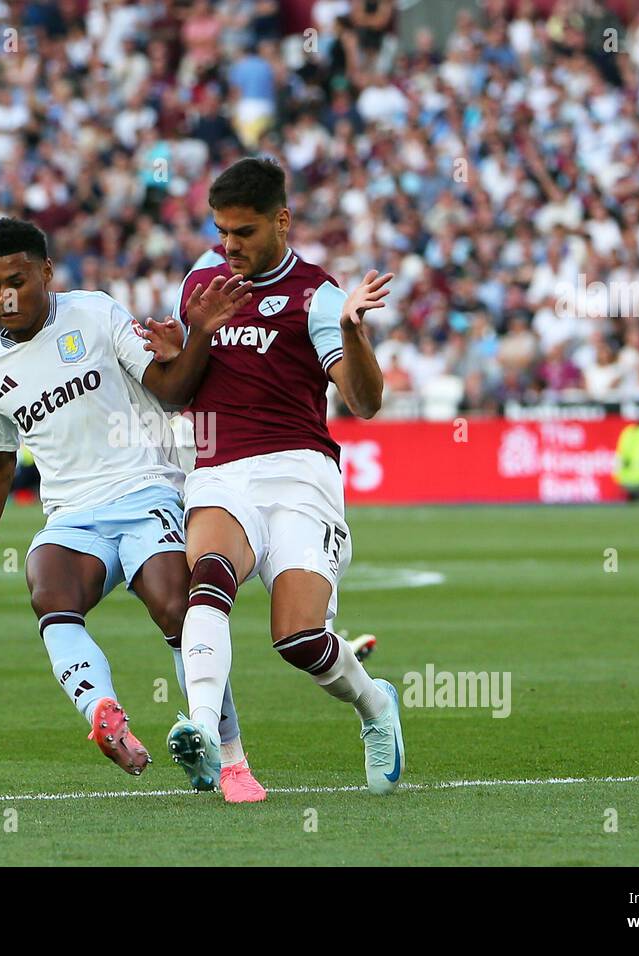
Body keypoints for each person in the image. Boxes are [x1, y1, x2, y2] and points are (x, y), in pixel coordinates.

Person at [0, 218, 270, 802]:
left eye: (18, 280)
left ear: (47, 273)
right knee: (47, 584)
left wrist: (199, 334)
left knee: (175, 606)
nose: (5, 296)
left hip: (148, 489)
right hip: (73, 516)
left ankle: (228, 758)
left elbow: (173, 389)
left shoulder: (97, 313)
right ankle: (105, 713)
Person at [144, 157, 405, 795]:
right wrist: (184, 346)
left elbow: (366, 403)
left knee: (298, 638)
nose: (229, 245)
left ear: (282, 221)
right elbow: (185, 385)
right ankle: (203, 729)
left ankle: (375, 707)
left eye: (245, 232)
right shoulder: (202, 278)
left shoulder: (320, 295)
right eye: (222, 230)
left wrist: (352, 330)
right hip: (218, 468)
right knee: (205, 580)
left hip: (299, 474)